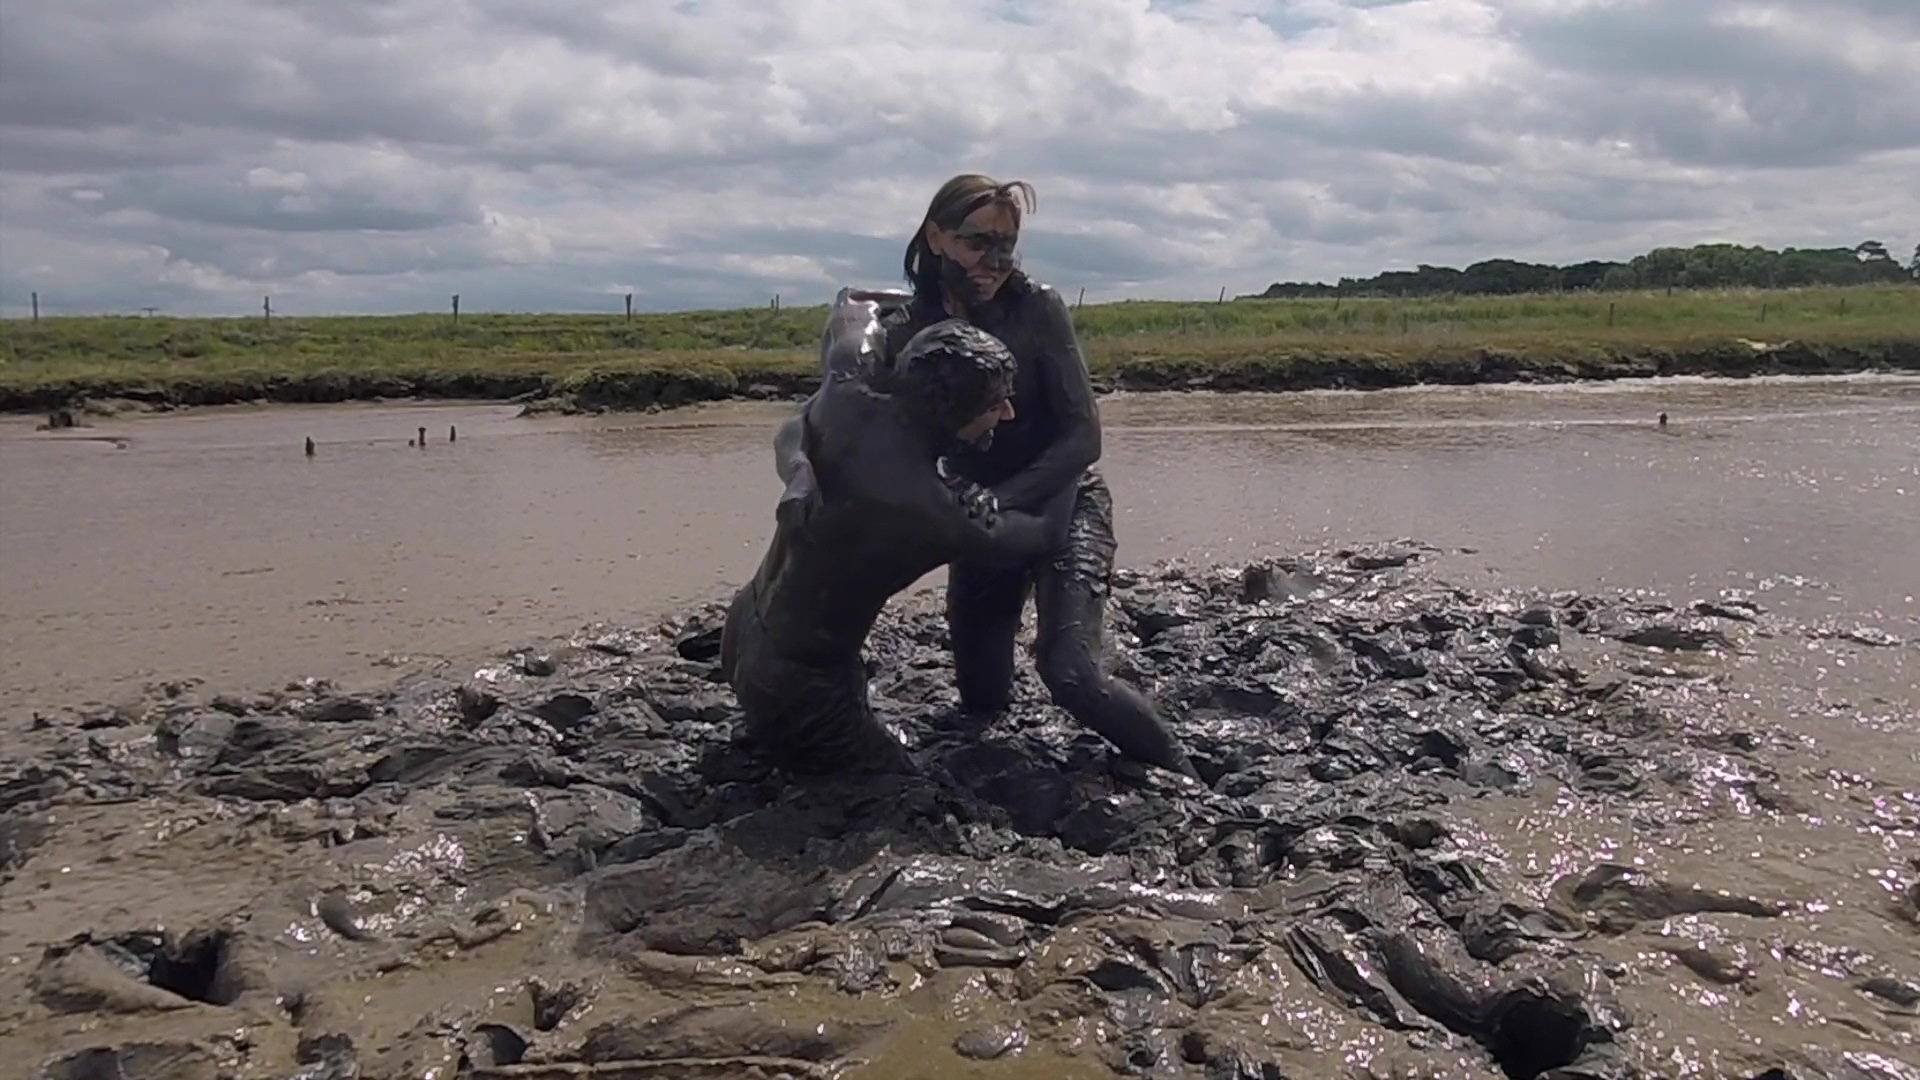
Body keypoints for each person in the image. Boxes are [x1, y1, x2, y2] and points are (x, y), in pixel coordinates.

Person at [781, 174, 1197, 779]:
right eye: (980, 242)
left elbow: (1084, 437)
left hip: (1061, 499)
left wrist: (1001, 500)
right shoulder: (904, 330)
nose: (995, 261)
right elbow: (825, 413)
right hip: (976, 512)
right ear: (936, 236)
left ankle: (1183, 774)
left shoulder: (1037, 309)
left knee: (1071, 672)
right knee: (980, 699)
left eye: (1008, 245)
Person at [720, 305, 1060, 776]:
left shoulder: (845, 393)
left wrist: (927, 320)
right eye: (995, 404)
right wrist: (1063, 453)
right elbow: (1041, 534)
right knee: (898, 792)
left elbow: (852, 306)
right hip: (800, 684)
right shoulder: (931, 509)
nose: (1009, 412)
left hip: (744, 626)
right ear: (953, 412)